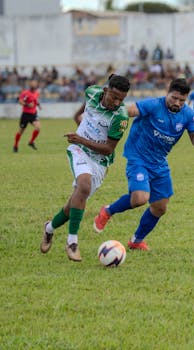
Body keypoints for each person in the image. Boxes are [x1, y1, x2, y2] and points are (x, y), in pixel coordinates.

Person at [94, 78, 194, 251]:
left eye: (181, 100)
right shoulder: (153, 105)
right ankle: (108, 211)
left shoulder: (187, 115)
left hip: (159, 163)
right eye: (174, 98)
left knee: (160, 207)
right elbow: (129, 110)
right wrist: (109, 110)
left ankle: (136, 240)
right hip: (138, 157)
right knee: (140, 198)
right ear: (167, 92)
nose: (177, 103)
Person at [40, 74, 130, 262]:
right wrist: (79, 134)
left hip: (100, 161)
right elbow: (80, 113)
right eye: (114, 96)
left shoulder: (120, 117)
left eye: (121, 99)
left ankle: (49, 228)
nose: (117, 102)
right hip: (78, 150)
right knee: (84, 185)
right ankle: (72, 242)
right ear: (105, 91)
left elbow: (108, 149)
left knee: (72, 205)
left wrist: (81, 138)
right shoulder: (92, 92)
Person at [13, 80, 41, 152]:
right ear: (30, 85)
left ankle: (31, 142)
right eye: (32, 83)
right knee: (21, 131)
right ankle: (15, 145)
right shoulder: (25, 93)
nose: (34, 85)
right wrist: (27, 105)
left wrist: (38, 105)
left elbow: (35, 100)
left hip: (33, 114)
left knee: (38, 127)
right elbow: (20, 101)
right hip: (25, 114)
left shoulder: (36, 93)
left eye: (35, 83)